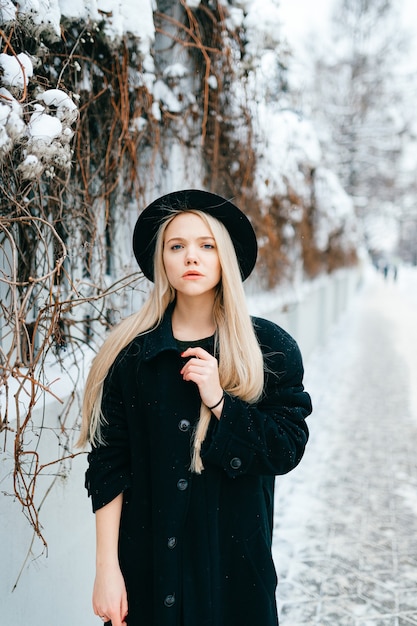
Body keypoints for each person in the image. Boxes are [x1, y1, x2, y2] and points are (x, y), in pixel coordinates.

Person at [78, 189, 312, 626]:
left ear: (225, 256)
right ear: (161, 261)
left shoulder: (269, 350)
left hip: (235, 578)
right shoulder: (130, 357)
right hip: (147, 574)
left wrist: (220, 402)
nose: (192, 257)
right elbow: (110, 465)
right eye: (177, 246)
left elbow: (286, 449)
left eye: (206, 245)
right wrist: (106, 569)